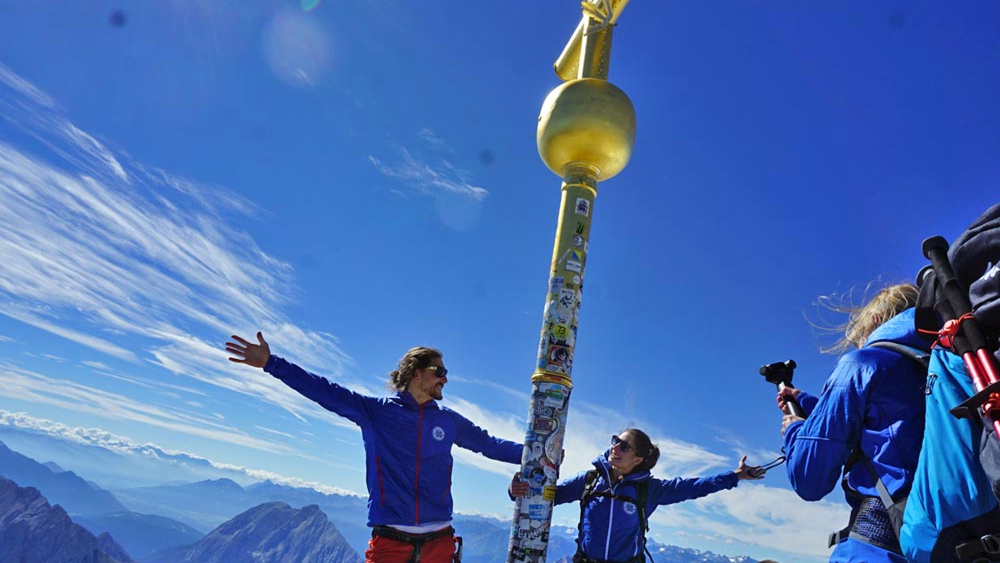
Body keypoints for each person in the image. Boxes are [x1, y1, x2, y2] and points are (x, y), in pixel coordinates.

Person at [226, 332, 524, 563]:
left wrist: (537, 453)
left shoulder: (448, 421)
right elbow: (325, 391)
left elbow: (489, 444)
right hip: (390, 544)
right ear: (415, 373)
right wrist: (271, 363)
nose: (445, 379)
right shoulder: (377, 412)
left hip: (440, 543)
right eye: (439, 371)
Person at [776, 283, 929, 563]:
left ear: (874, 321)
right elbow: (887, 415)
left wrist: (795, 428)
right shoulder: (949, 367)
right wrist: (805, 400)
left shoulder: (864, 361)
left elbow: (809, 479)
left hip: (880, 547)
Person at [512, 428, 762, 563]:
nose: (615, 447)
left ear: (639, 459)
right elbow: (547, 497)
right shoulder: (589, 480)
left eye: (624, 445)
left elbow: (693, 486)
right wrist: (516, 491)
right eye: (615, 440)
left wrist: (735, 476)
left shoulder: (649, 490)